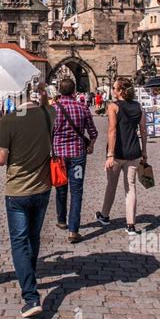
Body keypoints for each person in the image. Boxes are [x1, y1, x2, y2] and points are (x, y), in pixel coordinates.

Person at [0, 83, 55, 318]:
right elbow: (47, 104)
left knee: (19, 242)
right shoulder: (48, 113)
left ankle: (31, 296)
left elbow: (0, 159)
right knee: (33, 236)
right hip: (42, 187)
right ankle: (30, 273)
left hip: (18, 190)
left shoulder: (9, 121)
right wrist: (42, 92)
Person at [95, 77, 147, 235]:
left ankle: (104, 215)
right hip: (134, 152)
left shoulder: (113, 106)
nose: (112, 90)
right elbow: (143, 130)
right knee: (130, 187)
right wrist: (144, 151)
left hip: (117, 153)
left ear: (120, 91)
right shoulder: (138, 106)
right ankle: (131, 225)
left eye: (114, 88)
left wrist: (110, 155)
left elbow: (112, 130)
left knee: (111, 185)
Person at [52, 78, 98, 242]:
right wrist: (91, 145)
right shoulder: (82, 107)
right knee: (76, 191)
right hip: (78, 155)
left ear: (59, 90)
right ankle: (73, 230)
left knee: (60, 186)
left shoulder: (53, 109)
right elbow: (93, 132)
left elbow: (47, 132)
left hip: (59, 156)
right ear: (74, 91)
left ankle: (61, 220)